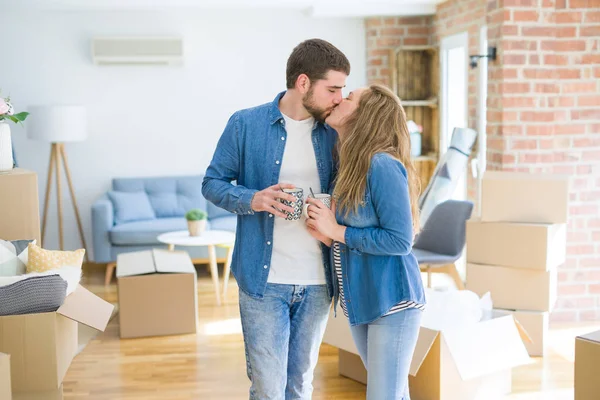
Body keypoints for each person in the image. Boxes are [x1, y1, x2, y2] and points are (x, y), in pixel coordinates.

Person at [201, 38, 350, 400]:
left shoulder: (335, 131)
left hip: (317, 281)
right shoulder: (245, 124)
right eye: (332, 89)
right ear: (303, 83)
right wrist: (255, 198)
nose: (339, 98)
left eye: (342, 90)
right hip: (263, 281)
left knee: (299, 385)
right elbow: (212, 183)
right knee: (268, 389)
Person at [305, 83, 426, 400]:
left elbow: (400, 241)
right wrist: (330, 239)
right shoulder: (351, 166)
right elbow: (361, 239)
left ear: (366, 115)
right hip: (363, 302)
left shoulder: (382, 165)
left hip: (392, 302)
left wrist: (337, 232)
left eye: (349, 98)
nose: (339, 100)